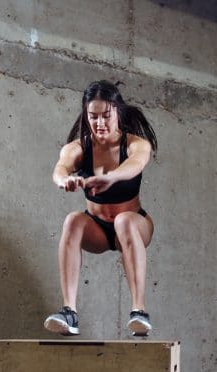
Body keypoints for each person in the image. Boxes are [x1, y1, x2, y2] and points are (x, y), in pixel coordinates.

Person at [43, 80, 157, 337]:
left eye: (106, 116)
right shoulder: (78, 148)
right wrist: (65, 180)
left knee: (124, 221)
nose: (100, 123)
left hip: (134, 225)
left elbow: (137, 164)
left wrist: (111, 177)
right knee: (73, 220)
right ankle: (69, 312)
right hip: (98, 228)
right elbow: (60, 168)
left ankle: (139, 311)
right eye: (93, 117)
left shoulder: (136, 144)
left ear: (118, 112)